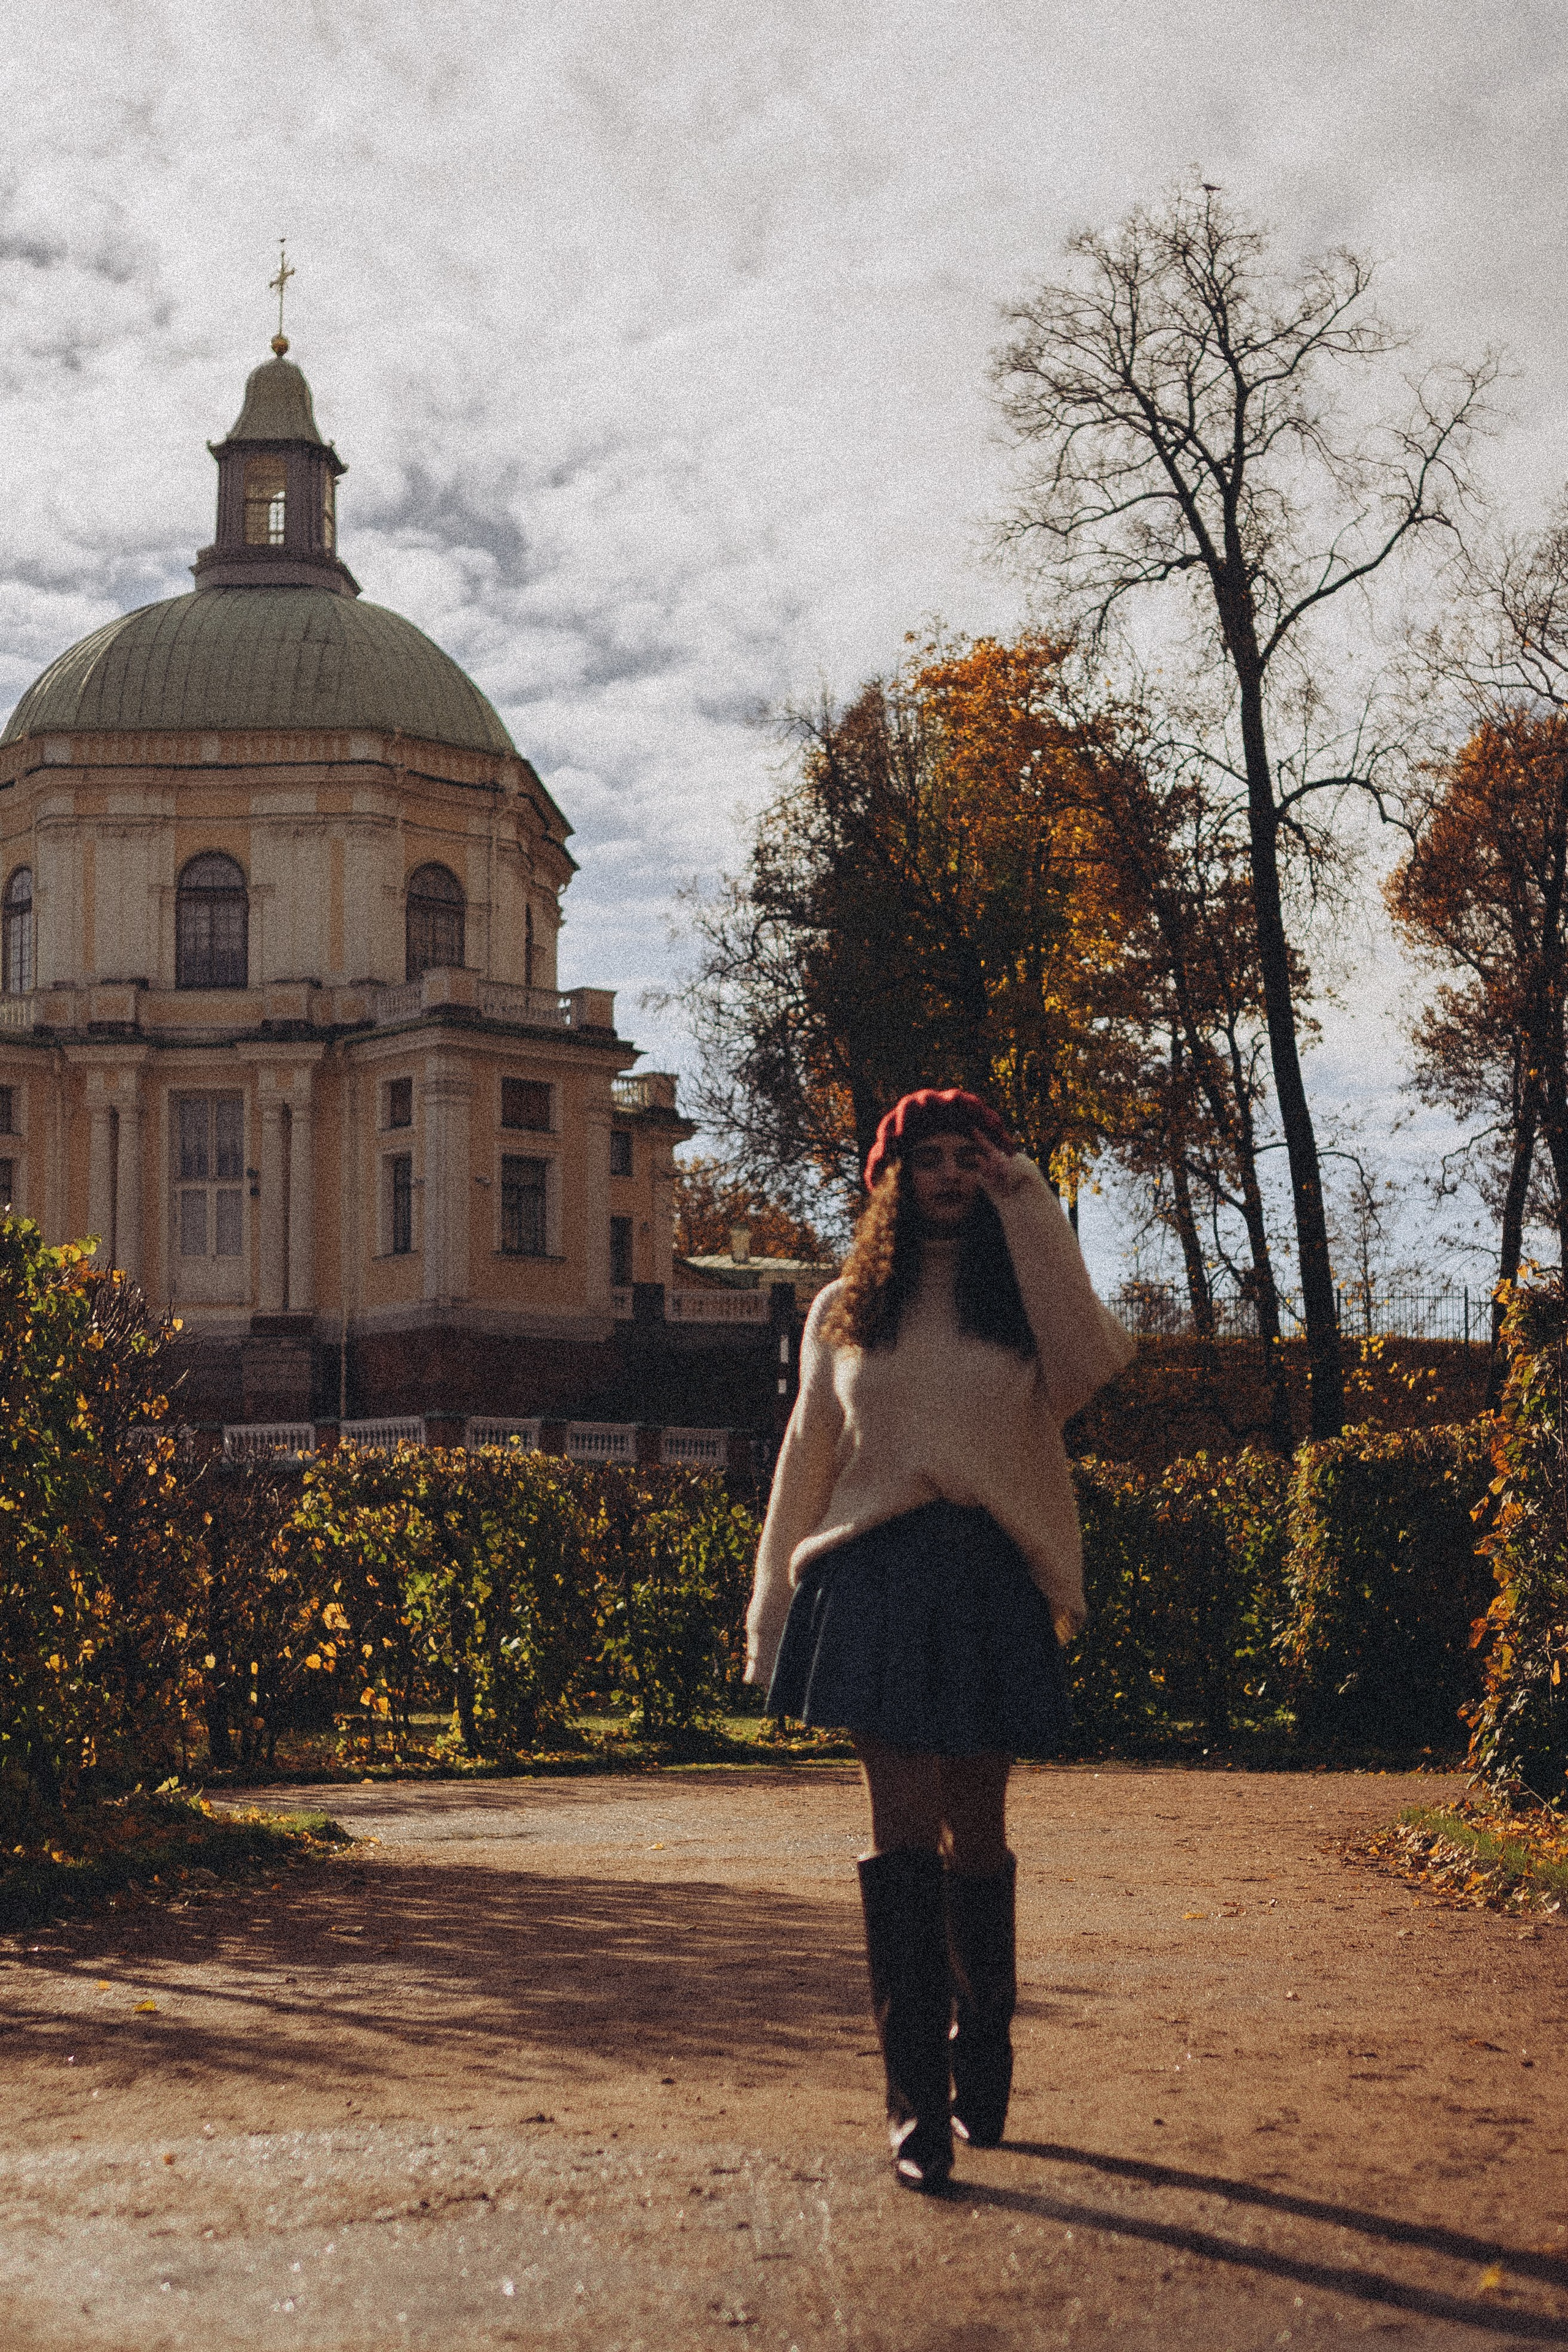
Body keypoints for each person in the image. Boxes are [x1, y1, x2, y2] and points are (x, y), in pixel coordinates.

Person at [744, 1088, 1134, 2192]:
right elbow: (805, 1464)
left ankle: (985, 2042)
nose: (953, 1175)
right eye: (931, 1160)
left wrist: (1034, 1203)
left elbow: (1098, 1361)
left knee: (980, 1832)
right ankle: (914, 2104)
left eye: (975, 1158)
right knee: (902, 1835)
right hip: (872, 1579)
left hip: (988, 1580)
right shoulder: (842, 1313)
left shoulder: (1028, 1304)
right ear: (891, 1179)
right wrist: (769, 1615)